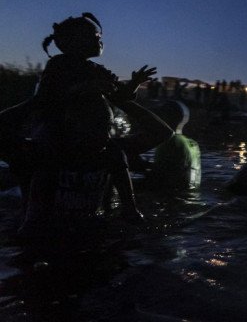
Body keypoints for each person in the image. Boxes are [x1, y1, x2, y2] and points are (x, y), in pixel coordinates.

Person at [22, 13, 163, 227]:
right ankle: (33, 219)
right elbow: (45, 99)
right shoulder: (58, 66)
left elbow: (120, 96)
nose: (100, 41)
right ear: (72, 42)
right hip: (61, 135)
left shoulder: (96, 70)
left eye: (99, 37)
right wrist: (84, 88)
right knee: (46, 163)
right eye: (94, 36)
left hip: (95, 137)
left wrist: (134, 84)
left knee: (116, 154)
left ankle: (130, 209)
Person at [146, 100, 201, 189]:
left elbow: (158, 177)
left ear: (166, 118)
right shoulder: (193, 144)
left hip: (172, 196)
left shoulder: (169, 141)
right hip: (190, 194)